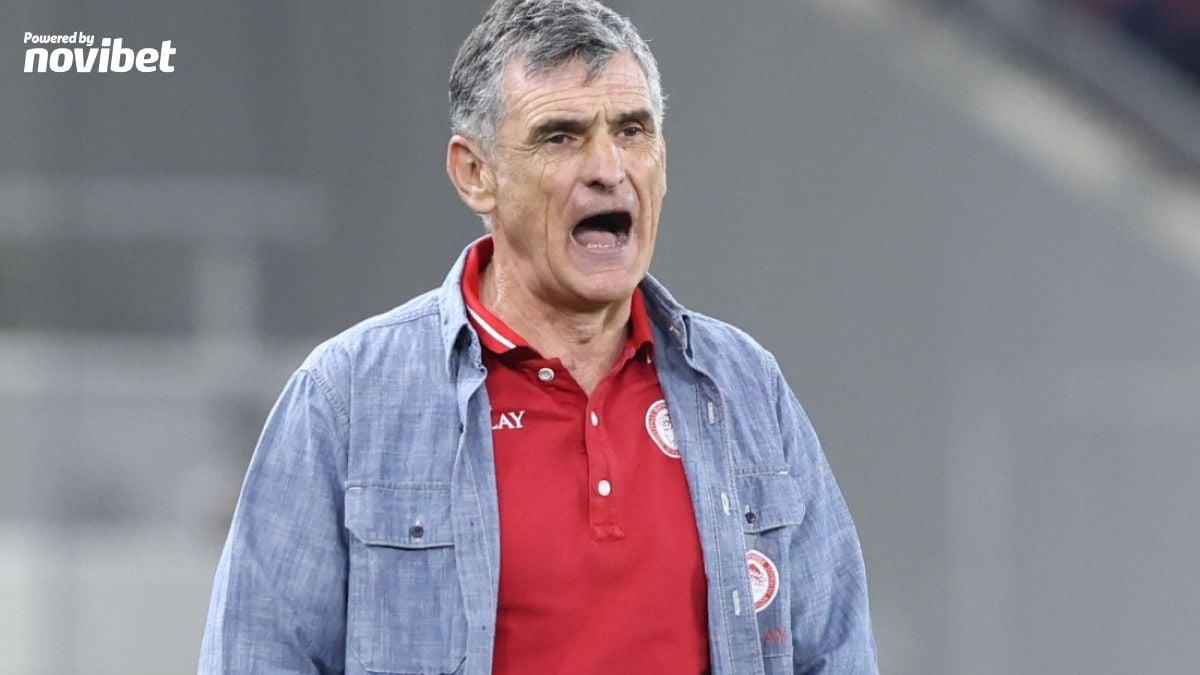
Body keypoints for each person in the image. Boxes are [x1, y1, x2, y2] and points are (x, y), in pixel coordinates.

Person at [199, 1, 877, 673]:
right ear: (475, 174)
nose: (608, 167)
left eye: (632, 131)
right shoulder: (347, 399)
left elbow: (836, 653)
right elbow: (255, 656)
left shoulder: (746, 388)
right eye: (561, 137)